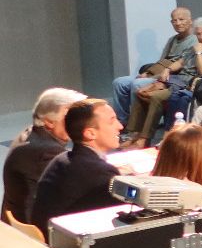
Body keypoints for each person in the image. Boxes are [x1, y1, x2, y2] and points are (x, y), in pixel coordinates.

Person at [125, 15, 202, 148]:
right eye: (199, 34)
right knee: (140, 92)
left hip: (190, 84)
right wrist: (167, 69)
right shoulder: (197, 46)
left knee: (154, 96)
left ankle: (144, 139)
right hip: (176, 79)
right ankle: (134, 134)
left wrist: (199, 53)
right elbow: (180, 62)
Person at [31, 99, 123, 233]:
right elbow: (125, 218)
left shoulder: (61, 159)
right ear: (90, 133)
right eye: (112, 121)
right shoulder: (101, 173)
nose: (120, 126)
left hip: (46, 239)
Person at [4, 88, 86, 226]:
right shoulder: (47, 152)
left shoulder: (30, 133)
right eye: (71, 116)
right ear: (49, 122)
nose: (79, 122)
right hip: (36, 233)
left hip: (18, 222)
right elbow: (80, 189)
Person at [110, 7, 195, 123]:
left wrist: (151, 77)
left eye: (181, 19)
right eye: (174, 21)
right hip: (157, 73)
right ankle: (122, 121)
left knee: (138, 84)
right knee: (119, 82)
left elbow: (180, 67)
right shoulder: (172, 40)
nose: (178, 23)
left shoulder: (194, 40)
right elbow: (162, 61)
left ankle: (136, 125)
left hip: (173, 78)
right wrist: (148, 72)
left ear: (190, 21)